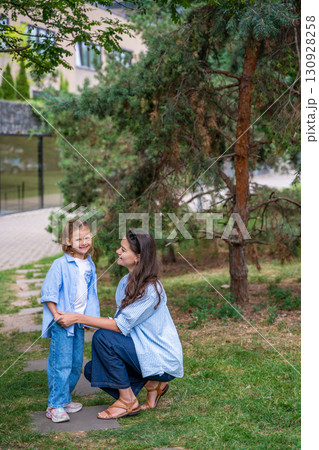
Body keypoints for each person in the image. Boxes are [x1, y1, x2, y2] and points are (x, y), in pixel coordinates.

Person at [57, 229, 183, 420]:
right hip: (141, 351)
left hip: (161, 359)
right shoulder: (125, 282)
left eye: (123, 249)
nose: (118, 251)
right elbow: (121, 325)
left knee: (103, 338)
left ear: (138, 257)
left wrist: (78, 318)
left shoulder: (151, 289)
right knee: (94, 370)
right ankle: (153, 385)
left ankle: (127, 401)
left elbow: (118, 326)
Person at [41, 219, 100, 423]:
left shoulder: (89, 264)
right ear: (67, 241)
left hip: (78, 322)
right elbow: (48, 293)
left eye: (87, 237)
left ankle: (65, 399)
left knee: (75, 364)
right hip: (63, 323)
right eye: (78, 239)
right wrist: (57, 316)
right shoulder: (60, 264)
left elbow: (90, 293)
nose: (84, 242)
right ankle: (54, 405)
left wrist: (89, 317)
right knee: (61, 363)